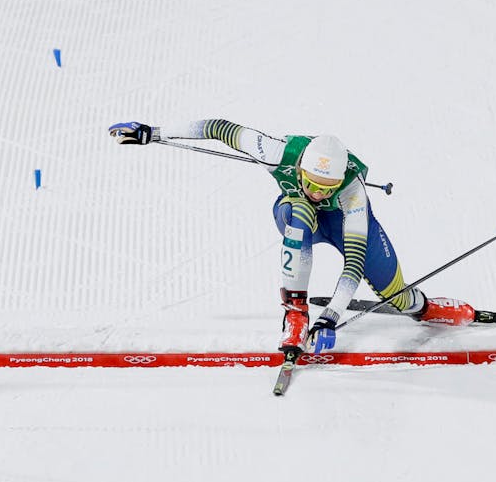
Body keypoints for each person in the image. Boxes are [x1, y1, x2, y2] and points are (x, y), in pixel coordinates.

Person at [108, 118, 473, 360]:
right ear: (300, 168)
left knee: (396, 296)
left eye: (326, 188)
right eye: (312, 183)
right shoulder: (277, 151)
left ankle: (423, 306)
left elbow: (355, 263)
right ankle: (294, 314)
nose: (317, 192)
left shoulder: (353, 194)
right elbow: (218, 128)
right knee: (300, 212)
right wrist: (155, 132)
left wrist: (331, 316)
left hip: (343, 225)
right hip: (298, 216)